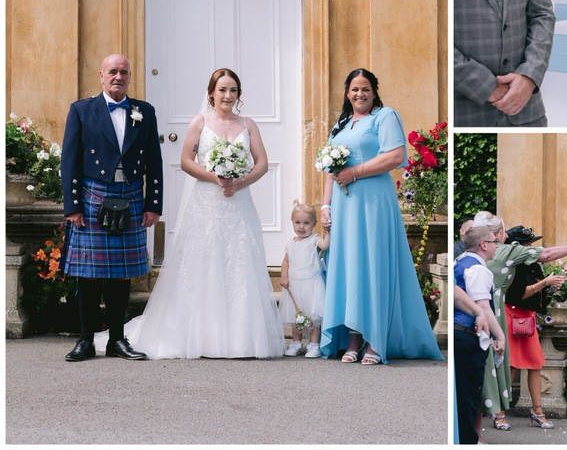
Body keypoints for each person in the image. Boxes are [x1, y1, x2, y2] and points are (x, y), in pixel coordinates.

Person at [127, 68, 285, 359]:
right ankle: (202, 335)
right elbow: (187, 161)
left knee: (239, 259)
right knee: (204, 259)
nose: (228, 96)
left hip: (238, 202)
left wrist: (239, 182)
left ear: (239, 94)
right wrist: (215, 178)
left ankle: (240, 339)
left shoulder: (248, 124)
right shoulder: (200, 122)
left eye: (233, 90)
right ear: (211, 92)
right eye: (222, 90)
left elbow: (261, 163)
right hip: (207, 203)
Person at [318, 69, 442, 365]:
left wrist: (355, 172)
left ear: (374, 91)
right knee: (349, 267)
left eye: (365, 89)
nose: (359, 94)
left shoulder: (385, 116)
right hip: (345, 206)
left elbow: (395, 156)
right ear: (347, 92)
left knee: (372, 264)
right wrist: (325, 206)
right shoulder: (341, 124)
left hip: (373, 201)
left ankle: (375, 340)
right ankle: (352, 338)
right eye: (354, 89)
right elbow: (329, 169)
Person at [61, 54, 162, 362]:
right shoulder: (81, 110)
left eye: (124, 72)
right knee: (88, 274)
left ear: (129, 78)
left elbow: (154, 162)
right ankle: (86, 340)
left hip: (130, 195)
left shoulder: (143, 111)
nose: (118, 76)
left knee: (122, 274)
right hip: (93, 195)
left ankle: (117, 340)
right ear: (101, 76)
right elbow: (69, 160)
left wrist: (152, 204)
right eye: (113, 71)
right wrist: (72, 206)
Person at [474, 211, 567, 435]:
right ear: (500, 234)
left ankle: (484, 423)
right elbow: (547, 255)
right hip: (501, 313)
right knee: (501, 363)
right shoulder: (508, 253)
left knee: (495, 362)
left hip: (479, 310)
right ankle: (494, 415)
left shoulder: (471, 252)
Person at [503, 225, 565, 430]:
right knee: (511, 365)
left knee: (535, 363)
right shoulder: (512, 265)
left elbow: (537, 295)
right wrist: (545, 282)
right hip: (511, 314)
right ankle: (499, 412)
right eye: (527, 243)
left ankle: (537, 411)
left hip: (527, 318)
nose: (531, 246)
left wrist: (550, 287)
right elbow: (518, 295)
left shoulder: (533, 265)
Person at [454, 226, 505, 445]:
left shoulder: (461, 261)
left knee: (463, 394)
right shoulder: (478, 269)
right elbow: (482, 306)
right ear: (484, 245)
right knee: (469, 395)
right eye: (495, 242)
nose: (497, 246)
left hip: (460, 332)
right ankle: (467, 441)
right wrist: (500, 336)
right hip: (468, 335)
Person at [279, 201, 329, 358]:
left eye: (306, 223)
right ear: (292, 223)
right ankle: (296, 343)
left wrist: (327, 232)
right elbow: (286, 261)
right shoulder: (290, 243)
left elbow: (325, 245)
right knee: (297, 317)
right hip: (295, 285)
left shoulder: (314, 239)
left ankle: (314, 345)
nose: (301, 227)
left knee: (313, 317)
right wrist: (284, 276)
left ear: (314, 223)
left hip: (312, 284)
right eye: (298, 223)